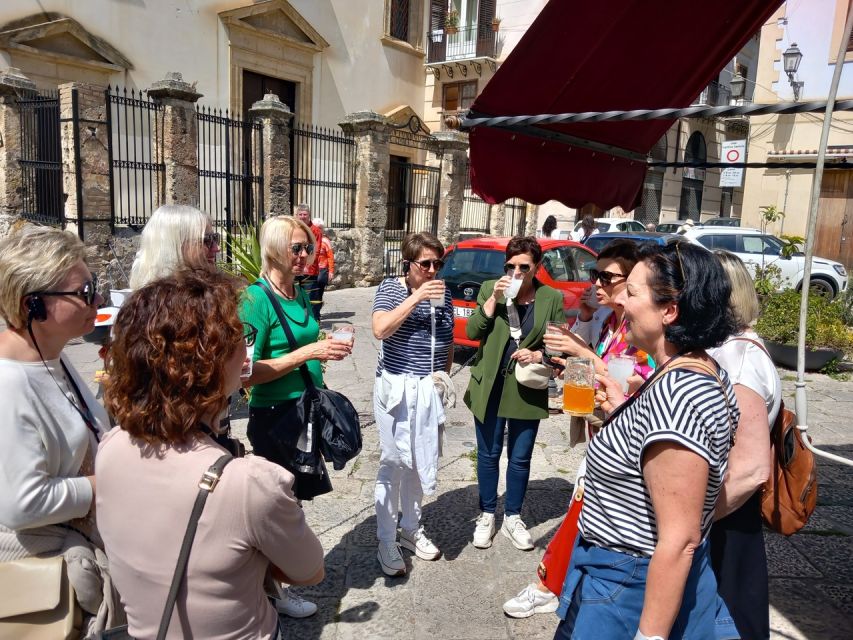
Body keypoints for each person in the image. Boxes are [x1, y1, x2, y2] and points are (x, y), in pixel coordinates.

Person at [97, 269, 324, 639]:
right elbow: (309, 570)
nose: (246, 349)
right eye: (240, 337)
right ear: (212, 361)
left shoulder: (111, 447)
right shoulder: (249, 483)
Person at [552, 241, 741, 640]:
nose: (620, 300)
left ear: (669, 311)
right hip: (619, 576)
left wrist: (649, 635)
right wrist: (621, 409)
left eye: (632, 292)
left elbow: (679, 539)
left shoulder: (680, 395)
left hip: (630, 586)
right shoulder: (686, 369)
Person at [503, 240, 654, 619]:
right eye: (593, 274)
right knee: (583, 510)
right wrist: (569, 360)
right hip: (600, 429)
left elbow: (637, 377)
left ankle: (551, 584)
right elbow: (593, 370)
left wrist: (581, 352)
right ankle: (562, 582)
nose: (596, 282)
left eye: (606, 276)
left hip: (625, 438)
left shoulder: (642, 327)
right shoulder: (612, 319)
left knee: (581, 510)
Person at [0, 225, 120, 635]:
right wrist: (104, 483)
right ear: (32, 305)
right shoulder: (9, 383)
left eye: (96, 287)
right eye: (85, 292)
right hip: (45, 582)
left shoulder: (53, 357)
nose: (98, 300)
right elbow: (21, 504)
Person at [239, 215, 351, 616]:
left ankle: (277, 582)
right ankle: (273, 591)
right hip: (275, 417)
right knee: (279, 506)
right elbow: (244, 371)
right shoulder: (255, 300)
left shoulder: (299, 293)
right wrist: (309, 353)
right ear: (273, 249)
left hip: (305, 410)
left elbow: (304, 337)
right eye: (298, 248)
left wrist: (323, 343)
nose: (307, 255)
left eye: (309, 247)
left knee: (294, 502)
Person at [464, 236, 565, 551]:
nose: (516, 272)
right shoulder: (489, 289)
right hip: (491, 383)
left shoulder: (551, 298)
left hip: (526, 385)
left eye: (524, 266)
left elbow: (558, 345)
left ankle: (513, 516)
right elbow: (472, 332)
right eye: (510, 266)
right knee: (488, 454)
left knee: (520, 458)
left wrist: (539, 356)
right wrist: (493, 300)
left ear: (537, 267)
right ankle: (486, 513)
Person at [708, 249, 781, 640]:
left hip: (727, 512)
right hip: (724, 509)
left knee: (731, 614)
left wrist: (698, 520)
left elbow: (751, 468)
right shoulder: (730, 348)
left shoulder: (739, 359)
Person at [371, 232, 454, 577]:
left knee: (420, 461)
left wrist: (442, 378)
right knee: (394, 462)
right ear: (410, 264)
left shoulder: (444, 294)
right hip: (396, 389)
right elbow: (380, 329)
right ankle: (385, 538)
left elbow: (448, 342)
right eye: (426, 264)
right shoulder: (392, 289)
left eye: (438, 263)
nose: (433, 270)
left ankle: (410, 529)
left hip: (427, 391)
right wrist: (417, 295)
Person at [128, 204, 220, 288]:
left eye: (215, 238)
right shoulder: (145, 304)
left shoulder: (218, 297)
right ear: (174, 246)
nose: (216, 248)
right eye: (207, 240)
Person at [294, 203, 323, 318]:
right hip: (295, 270)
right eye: (300, 214)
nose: (302, 217)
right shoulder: (294, 229)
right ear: (296, 215)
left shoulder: (315, 231)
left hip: (309, 271)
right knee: (295, 298)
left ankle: (314, 323)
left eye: (305, 214)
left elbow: (315, 250)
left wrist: (306, 264)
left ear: (309, 215)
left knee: (311, 300)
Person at [313, 217, 336, 320]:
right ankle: (314, 312)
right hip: (311, 271)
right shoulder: (310, 240)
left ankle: (316, 313)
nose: (318, 230)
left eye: (320, 228)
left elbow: (330, 256)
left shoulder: (325, 240)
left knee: (319, 292)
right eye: (316, 227)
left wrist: (331, 271)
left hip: (322, 270)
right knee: (311, 292)